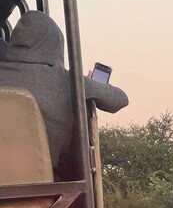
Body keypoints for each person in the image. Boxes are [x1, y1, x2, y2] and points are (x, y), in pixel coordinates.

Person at [0, 11, 128, 178]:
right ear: (55, 44)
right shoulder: (67, 79)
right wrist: (92, 85)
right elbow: (119, 100)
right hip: (44, 183)